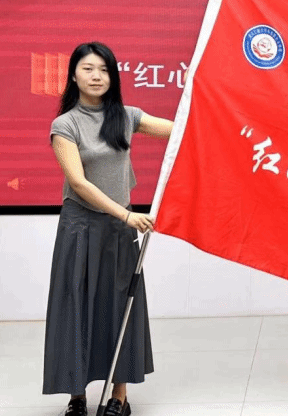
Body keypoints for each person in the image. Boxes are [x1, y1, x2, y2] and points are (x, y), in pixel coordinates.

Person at [43, 42, 173, 417]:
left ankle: (120, 397)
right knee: (76, 305)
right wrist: (126, 216)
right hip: (80, 226)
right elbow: (79, 183)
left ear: (113, 75)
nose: (97, 76)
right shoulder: (64, 125)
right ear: (73, 75)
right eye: (88, 68)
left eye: (104, 69)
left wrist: (212, 106)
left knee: (120, 306)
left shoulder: (127, 117)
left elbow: (178, 132)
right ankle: (77, 396)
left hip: (118, 231)